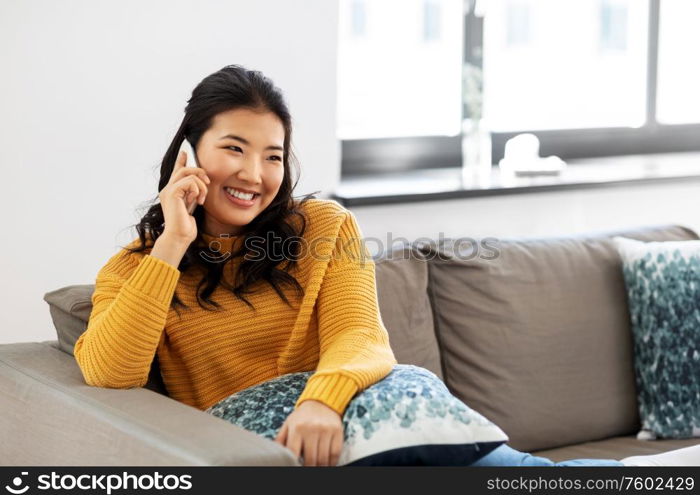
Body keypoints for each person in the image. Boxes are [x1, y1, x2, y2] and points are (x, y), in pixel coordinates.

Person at [73, 64, 681, 467]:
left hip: (346, 415)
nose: (255, 175)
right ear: (189, 153)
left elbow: (360, 337)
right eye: (233, 148)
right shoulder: (136, 269)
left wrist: (321, 401)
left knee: (495, 463)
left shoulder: (322, 227)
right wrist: (173, 244)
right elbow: (108, 372)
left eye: (273, 156)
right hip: (262, 445)